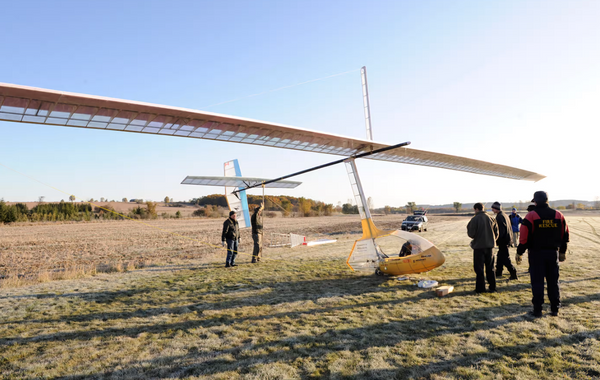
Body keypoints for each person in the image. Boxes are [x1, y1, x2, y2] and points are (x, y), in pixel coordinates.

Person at [516, 191, 569, 317]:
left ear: (535, 201)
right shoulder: (558, 214)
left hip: (536, 254)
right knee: (553, 282)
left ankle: (538, 310)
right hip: (553, 253)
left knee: (537, 282)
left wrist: (519, 252)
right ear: (547, 200)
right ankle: (555, 308)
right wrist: (562, 252)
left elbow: (524, 238)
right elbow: (565, 235)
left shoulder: (531, 216)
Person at [467, 202, 499, 293]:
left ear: (476, 209)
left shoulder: (475, 219)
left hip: (479, 247)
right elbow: (496, 234)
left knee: (479, 269)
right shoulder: (491, 218)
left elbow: (471, 234)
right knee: (490, 268)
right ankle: (492, 287)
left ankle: (480, 288)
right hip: (490, 247)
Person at [491, 202, 518, 280]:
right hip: (507, 239)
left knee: (505, 258)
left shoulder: (500, 217)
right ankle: (498, 272)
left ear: (496, 208)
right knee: (500, 256)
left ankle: (513, 272)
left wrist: (497, 239)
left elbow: (501, 230)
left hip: (503, 240)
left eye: (493, 208)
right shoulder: (505, 215)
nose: (492, 210)